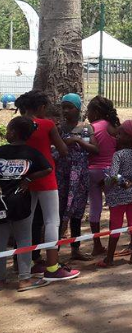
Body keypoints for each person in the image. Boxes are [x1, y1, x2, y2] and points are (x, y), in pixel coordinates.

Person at [14, 91, 79, 282]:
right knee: (52, 221)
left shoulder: (17, 124)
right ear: (41, 107)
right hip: (46, 175)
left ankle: (25, 267)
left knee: (26, 222)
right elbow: (63, 150)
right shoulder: (47, 124)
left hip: (24, 176)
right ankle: (52, 266)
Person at [0, 116, 53, 291]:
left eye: (8, 130)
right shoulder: (31, 153)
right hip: (21, 201)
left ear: (14, 133)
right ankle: (24, 279)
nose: (7, 133)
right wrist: (28, 179)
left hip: (1, 202)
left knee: (1, 241)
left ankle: (1, 279)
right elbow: (48, 168)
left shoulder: (1, 151)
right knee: (24, 239)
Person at [97, 120, 132, 267]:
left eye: (120, 134)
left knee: (115, 225)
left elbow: (113, 175)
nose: (117, 136)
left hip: (118, 195)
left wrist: (106, 182)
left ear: (129, 137)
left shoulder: (118, 155)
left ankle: (109, 258)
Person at [57, 93, 98, 261]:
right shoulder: (58, 128)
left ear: (78, 109)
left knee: (77, 213)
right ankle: (54, 253)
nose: (66, 111)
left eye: (70, 107)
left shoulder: (86, 128)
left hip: (80, 175)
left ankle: (75, 249)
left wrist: (78, 141)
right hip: (63, 174)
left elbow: (95, 149)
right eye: (63, 107)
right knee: (59, 212)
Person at [85, 95, 120, 256]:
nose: (87, 114)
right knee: (114, 206)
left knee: (95, 207)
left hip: (92, 171)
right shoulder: (114, 127)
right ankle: (113, 242)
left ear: (96, 111)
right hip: (111, 171)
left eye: (89, 111)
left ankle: (97, 244)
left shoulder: (90, 128)